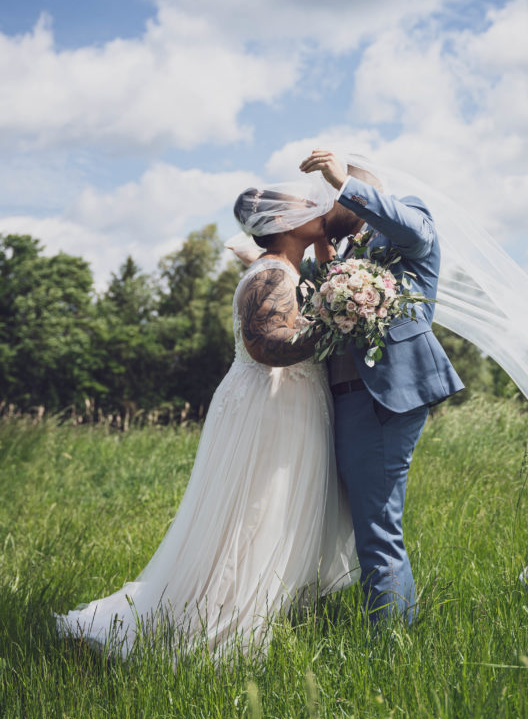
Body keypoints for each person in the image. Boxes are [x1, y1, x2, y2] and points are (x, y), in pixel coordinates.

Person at [54, 182, 357, 661]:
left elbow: (336, 233)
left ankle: (263, 606)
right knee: (253, 512)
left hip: (292, 401)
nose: (316, 207)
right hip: (269, 405)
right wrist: (336, 321)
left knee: (275, 509)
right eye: (305, 206)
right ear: (282, 225)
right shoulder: (271, 274)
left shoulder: (287, 269)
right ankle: (219, 618)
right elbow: (265, 346)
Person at [299, 149, 464, 623]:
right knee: (368, 526)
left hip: (383, 397)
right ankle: (392, 632)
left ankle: (390, 647)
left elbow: (415, 231)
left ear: (353, 192)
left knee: (378, 531)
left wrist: (343, 183)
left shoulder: (406, 222)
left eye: (326, 199)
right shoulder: (350, 251)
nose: (321, 208)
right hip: (348, 400)